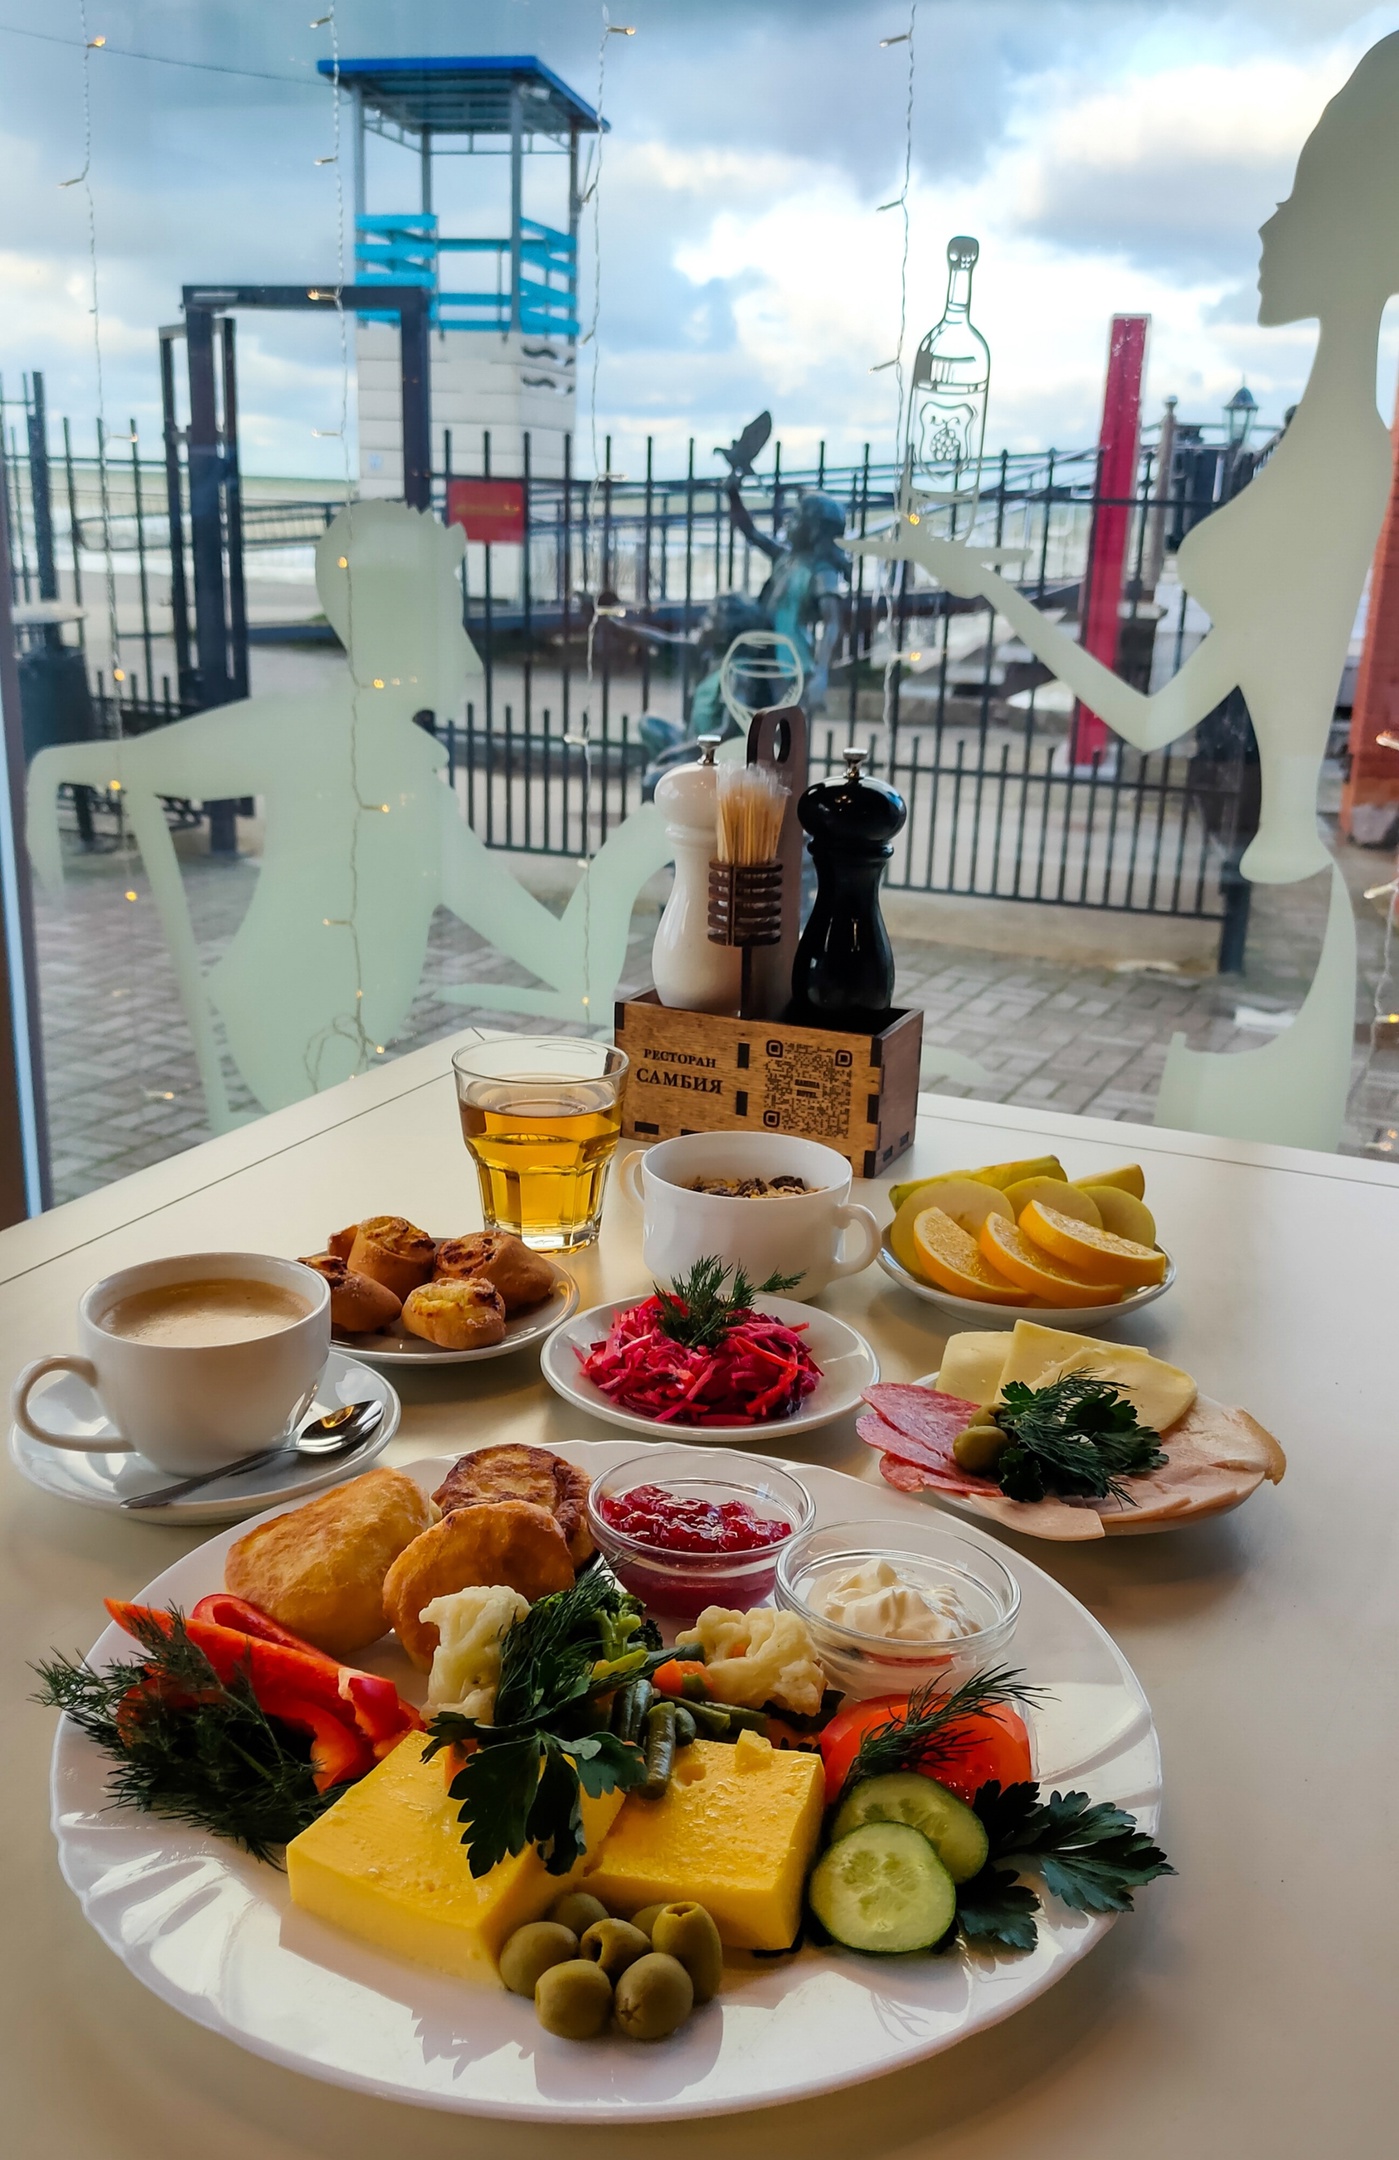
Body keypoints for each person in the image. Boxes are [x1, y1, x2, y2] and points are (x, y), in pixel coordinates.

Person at [26, 503, 669, 1126]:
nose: (471, 659)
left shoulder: (324, 736)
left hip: (310, 1035)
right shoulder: (382, 780)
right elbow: (573, 971)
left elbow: (148, 762)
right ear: (400, 637)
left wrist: (53, 768)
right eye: (450, 629)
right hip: (306, 1047)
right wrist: (637, 849)